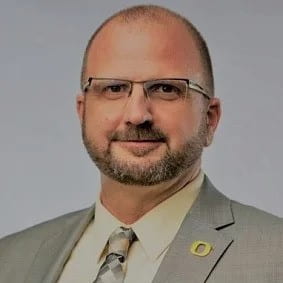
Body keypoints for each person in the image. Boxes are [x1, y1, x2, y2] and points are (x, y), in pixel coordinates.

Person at [0, 4, 282, 283]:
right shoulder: (11, 259)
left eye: (166, 88)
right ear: (83, 111)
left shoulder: (274, 257)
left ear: (210, 119)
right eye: (114, 88)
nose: (137, 115)